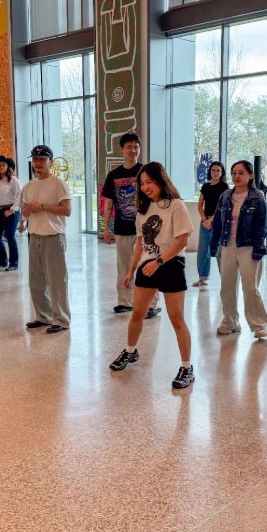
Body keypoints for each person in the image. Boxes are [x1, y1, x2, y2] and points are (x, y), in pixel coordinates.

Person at [109, 162, 195, 389]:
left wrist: (159, 261)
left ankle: (187, 367)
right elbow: (140, 242)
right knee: (137, 313)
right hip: (148, 266)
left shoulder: (176, 205)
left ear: (161, 180)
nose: (146, 187)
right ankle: (130, 351)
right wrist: (131, 269)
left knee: (176, 318)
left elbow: (182, 241)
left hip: (171, 264)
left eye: (150, 182)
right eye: (142, 183)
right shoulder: (143, 209)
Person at [101, 132, 160, 318]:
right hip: (122, 227)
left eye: (136, 147)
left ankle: (151, 304)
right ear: (121, 150)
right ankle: (124, 301)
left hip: (146, 229)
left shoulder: (146, 173)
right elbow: (108, 204)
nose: (133, 150)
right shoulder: (113, 175)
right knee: (124, 266)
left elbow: (156, 199)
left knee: (148, 265)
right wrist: (106, 228)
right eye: (129, 147)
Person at [209, 160, 267, 339]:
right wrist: (215, 245)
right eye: (234, 173)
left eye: (241, 173)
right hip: (227, 245)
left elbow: (262, 226)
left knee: (250, 288)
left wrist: (259, 249)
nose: (237, 176)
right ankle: (230, 322)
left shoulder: (257, 197)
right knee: (226, 287)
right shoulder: (225, 196)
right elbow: (218, 223)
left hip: (249, 247)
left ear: (250, 175)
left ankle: (258, 325)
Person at [19, 145, 71, 333]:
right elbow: (25, 210)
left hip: (53, 237)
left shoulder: (58, 183)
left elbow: (67, 210)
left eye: (41, 159)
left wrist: (42, 206)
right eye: (35, 159)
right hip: (34, 236)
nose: (37, 163)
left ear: (50, 161)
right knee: (36, 280)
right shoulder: (29, 186)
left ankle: (62, 319)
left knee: (57, 280)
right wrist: (23, 217)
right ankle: (43, 316)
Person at [194, 161, 229, 287]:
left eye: (218, 171)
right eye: (213, 170)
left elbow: (224, 206)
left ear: (221, 173)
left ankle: (225, 279)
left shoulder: (224, 187)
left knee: (221, 250)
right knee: (203, 249)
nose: (215, 173)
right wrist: (205, 220)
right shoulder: (205, 186)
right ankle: (202, 278)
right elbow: (199, 205)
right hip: (205, 221)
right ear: (210, 172)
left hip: (219, 221)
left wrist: (211, 220)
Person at [0, 155, 22, 270]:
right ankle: (2, 261)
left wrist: (12, 210)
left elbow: (19, 196)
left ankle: (14, 263)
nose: (1, 167)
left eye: (3, 165)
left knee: (10, 237)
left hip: (10, 211)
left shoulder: (13, 180)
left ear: (8, 166)